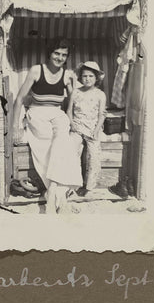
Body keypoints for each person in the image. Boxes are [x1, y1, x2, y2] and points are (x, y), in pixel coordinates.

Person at [12, 37, 83, 213]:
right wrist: (15, 126)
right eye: (56, 53)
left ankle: (52, 192)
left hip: (57, 113)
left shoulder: (67, 75)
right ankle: (59, 196)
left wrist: (71, 116)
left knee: (63, 141)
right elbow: (20, 98)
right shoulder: (37, 70)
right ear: (49, 53)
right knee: (45, 142)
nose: (59, 57)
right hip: (37, 112)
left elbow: (74, 101)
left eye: (64, 55)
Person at [67, 61, 106, 196]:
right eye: (84, 76)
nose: (87, 79)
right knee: (72, 152)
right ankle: (73, 185)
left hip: (92, 129)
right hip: (77, 127)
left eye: (91, 76)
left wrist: (96, 131)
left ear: (96, 78)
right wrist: (72, 124)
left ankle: (89, 186)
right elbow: (69, 111)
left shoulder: (100, 94)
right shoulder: (76, 92)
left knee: (94, 156)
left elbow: (102, 115)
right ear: (80, 78)